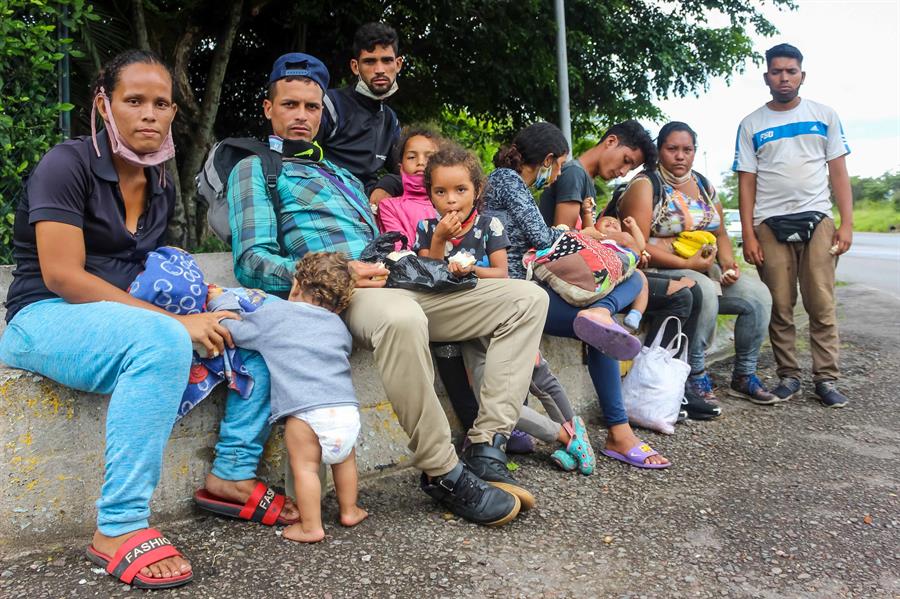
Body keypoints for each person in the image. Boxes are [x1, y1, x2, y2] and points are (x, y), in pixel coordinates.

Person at [0, 50, 298, 590]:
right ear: (103, 105)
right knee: (164, 339)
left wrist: (213, 301)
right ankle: (118, 527)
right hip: (46, 317)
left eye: (161, 104)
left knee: (255, 325)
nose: (149, 115)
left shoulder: (158, 179)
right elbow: (64, 275)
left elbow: (151, 267)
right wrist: (173, 323)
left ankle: (230, 474)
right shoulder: (66, 165)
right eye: (133, 101)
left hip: (122, 314)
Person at [228, 52, 550, 526]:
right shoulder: (256, 168)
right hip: (339, 295)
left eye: (312, 107)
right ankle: (441, 470)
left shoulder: (339, 173)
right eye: (290, 104)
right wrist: (336, 270)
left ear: (322, 113)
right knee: (402, 318)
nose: (301, 115)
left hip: (395, 279)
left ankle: (485, 444)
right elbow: (251, 260)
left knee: (527, 298)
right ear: (268, 109)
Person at [482, 120, 671, 469]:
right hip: (516, 293)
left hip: (523, 287)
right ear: (548, 160)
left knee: (622, 296)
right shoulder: (508, 181)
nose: (555, 177)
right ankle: (619, 433)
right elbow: (543, 237)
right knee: (616, 308)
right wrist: (594, 239)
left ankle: (600, 312)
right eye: (557, 167)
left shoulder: (508, 183)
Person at [416, 143, 596, 474]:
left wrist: (471, 269)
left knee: (539, 376)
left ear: (477, 189)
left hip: (502, 318)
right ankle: (564, 435)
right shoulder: (428, 230)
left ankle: (573, 427)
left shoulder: (489, 226)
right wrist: (441, 241)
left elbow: (500, 272)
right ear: (429, 193)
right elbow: (428, 275)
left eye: (460, 190)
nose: (451, 199)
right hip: (466, 328)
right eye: (440, 191)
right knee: (494, 401)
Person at [540, 134, 711, 419]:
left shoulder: (586, 182)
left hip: (586, 275)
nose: (623, 172)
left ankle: (668, 384)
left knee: (682, 291)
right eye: (626, 161)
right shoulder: (572, 174)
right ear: (610, 141)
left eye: (630, 168)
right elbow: (565, 239)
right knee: (678, 295)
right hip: (568, 278)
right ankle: (649, 384)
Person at [617, 121, 776, 410]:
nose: (680, 156)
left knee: (757, 296)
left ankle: (745, 374)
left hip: (705, 267)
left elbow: (721, 233)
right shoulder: (645, 184)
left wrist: (728, 264)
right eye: (672, 149)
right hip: (660, 270)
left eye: (687, 150)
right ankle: (696, 373)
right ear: (659, 151)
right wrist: (686, 262)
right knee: (701, 287)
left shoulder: (704, 185)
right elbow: (636, 243)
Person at [213, 252, 367, 543]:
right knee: (345, 461)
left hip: (306, 412)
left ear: (296, 285)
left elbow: (238, 331)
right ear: (341, 304)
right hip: (346, 410)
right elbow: (344, 348)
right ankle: (350, 510)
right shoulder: (338, 326)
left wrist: (219, 304)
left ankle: (311, 526)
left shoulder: (278, 314)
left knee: (305, 468)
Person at [734, 43, 853, 408]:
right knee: (780, 305)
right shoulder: (751, 124)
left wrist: (846, 223)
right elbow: (746, 182)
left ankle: (826, 378)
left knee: (820, 301)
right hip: (770, 223)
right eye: (776, 71)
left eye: (791, 71)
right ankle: (789, 376)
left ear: (802, 74)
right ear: (766, 76)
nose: (784, 78)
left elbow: (838, 172)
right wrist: (750, 234)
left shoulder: (824, 115)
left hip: (817, 218)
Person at [317, 22, 402, 194]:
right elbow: (301, 158)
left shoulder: (391, 120)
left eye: (386, 61)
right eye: (370, 61)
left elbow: (409, 173)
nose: (379, 70)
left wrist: (387, 184)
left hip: (371, 206)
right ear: (355, 67)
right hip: (326, 198)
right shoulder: (328, 104)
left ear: (398, 64)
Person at [376, 125, 441, 245]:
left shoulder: (449, 204)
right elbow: (399, 250)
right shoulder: (389, 206)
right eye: (411, 157)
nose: (421, 162)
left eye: (429, 157)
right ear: (401, 168)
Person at [594, 215, 650, 332]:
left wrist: (633, 227)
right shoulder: (597, 237)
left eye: (615, 222)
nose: (611, 222)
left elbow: (640, 246)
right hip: (604, 270)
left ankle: (636, 314)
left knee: (641, 278)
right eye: (606, 221)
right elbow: (589, 227)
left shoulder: (623, 240)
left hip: (624, 270)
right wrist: (587, 213)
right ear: (596, 227)